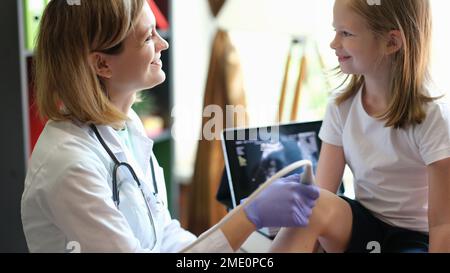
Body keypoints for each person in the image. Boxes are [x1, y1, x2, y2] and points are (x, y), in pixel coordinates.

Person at [20, 0, 320, 253]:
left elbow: (165, 237)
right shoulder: (69, 165)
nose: (163, 44)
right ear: (102, 65)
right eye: (148, 37)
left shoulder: (126, 128)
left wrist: (237, 236)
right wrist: (248, 216)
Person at [270, 0, 450, 253]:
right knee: (308, 202)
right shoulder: (341, 105)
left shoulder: (434, 116)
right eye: (335, 31)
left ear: (391, 42)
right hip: (361, 223)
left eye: (346, 33)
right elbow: (321, 194)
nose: (334, 43)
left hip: (414, 238)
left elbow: (444, 225)